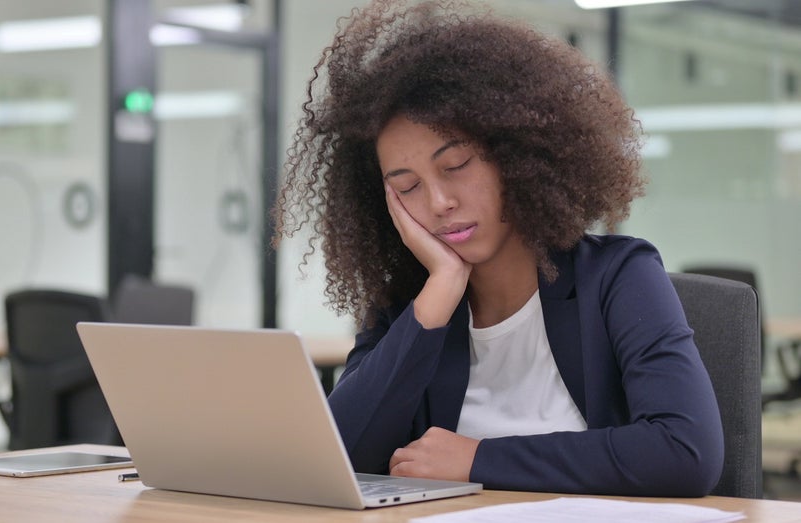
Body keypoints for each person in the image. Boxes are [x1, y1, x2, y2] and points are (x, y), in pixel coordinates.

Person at [274, 0, 724, 497]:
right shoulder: (408, 307)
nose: (440, 202)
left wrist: (478, 459)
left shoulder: (617, 275)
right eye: (407, 187)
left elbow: (685, 453)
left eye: (457, 164)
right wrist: (441, 290)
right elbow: (340, 456)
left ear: (515, 154)